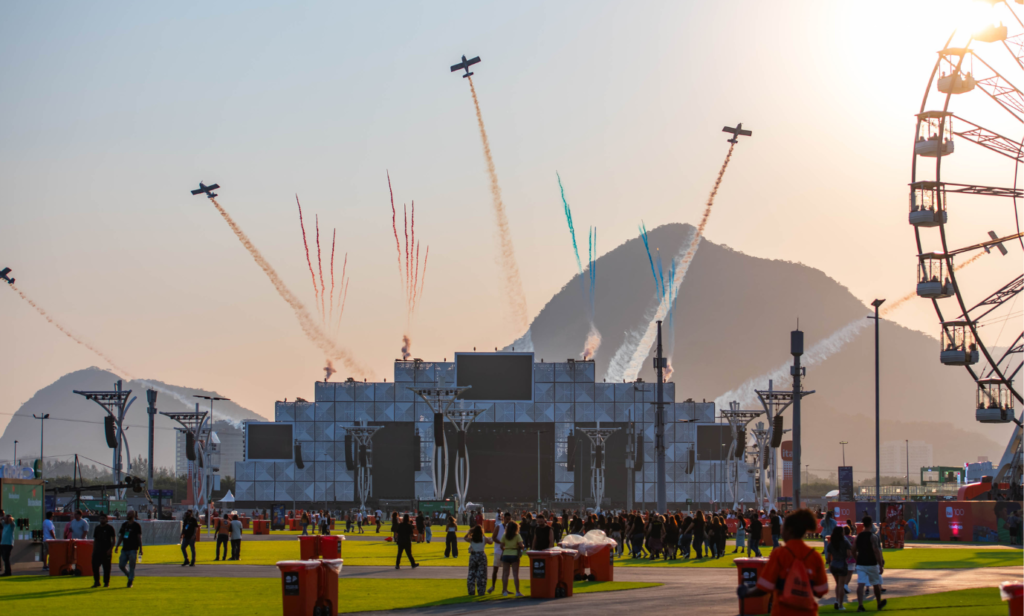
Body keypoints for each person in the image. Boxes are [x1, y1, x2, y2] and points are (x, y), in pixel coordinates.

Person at [736, 509, 829, 615]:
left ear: (789, 530)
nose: (781, 531)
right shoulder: (814, 556)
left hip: (783, 611)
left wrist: (746, 592)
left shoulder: (779, 554)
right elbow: (821, 591)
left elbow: (765, 587)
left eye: (782, 529)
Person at [855, 516, 887, 612]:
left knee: (861, 584)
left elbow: (853, 549)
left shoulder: (858, 536)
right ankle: (878, 603)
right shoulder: (873, 537)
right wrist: (880, 564)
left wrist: (857, 558)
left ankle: (860, 605)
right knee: (876, 584)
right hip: (872, 563)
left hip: (861, 563)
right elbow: (876, 551)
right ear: (871, 524)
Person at [827, 524, 854, 610]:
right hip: (842, 564)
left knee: (838, 584)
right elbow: (849, 553)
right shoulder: (845, 542)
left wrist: (829, 562)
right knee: (841, 585)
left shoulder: (831, 543)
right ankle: (841, 605)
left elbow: (828, 557)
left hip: (834, 564)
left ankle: (836, 600)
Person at [114, 510, 143, 588]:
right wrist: (117, 546)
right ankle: (129, 576)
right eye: (127, 514)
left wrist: (141, 549)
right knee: (121, 565)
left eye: (129, 514)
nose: (127, 515)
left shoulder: (136, 525)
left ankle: (130, 581)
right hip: (125, 549)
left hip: (133, 549)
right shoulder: (124, 525)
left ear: (133, 515)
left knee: (132, 566)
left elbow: (139, 537)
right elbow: (121, 536)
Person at [464, 524, 493, 596]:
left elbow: (465, 538)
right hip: (481, 555)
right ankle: (481, 591)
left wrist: (470, 532)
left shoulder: (472, 539)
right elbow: (491, 542)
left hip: (473, 556)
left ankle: (471, 591)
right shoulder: (484, 538)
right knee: (482, 575)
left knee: (471, 573)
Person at [499, 520, 525, 597]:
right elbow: (521, 545)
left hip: (506, 554)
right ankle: (517, 591)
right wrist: (521, 547)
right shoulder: (517, 536)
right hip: (514, 555)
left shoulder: (504, 535)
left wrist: (506, 549)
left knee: (505, 574)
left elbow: (501, 546)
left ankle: (504, 591)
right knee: (515, 574)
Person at [90, 513, 116, 588]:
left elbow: (113, 539)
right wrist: (93, 550)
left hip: (106, 551)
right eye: (101, 518)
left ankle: (106, 582)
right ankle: (97, 582)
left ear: (107, 519)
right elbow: (95, 539)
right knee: (95, 567)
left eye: (103, 518)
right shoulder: (97, 528)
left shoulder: (110, 528)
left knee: (106, 568)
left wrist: (110, 549)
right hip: (97, 551)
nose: (102, 520)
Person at [488, 512, 510, 594]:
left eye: (509, 519)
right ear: (503, 518)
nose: (508, 521)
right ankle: (493, 586)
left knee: (505, 572)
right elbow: (493, 537)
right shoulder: (499, 527)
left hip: (507, 551)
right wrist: (501, 543)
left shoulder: (510, 528)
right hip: (498, 551)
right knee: (495, 570)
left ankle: (505, 589)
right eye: (507, 519)